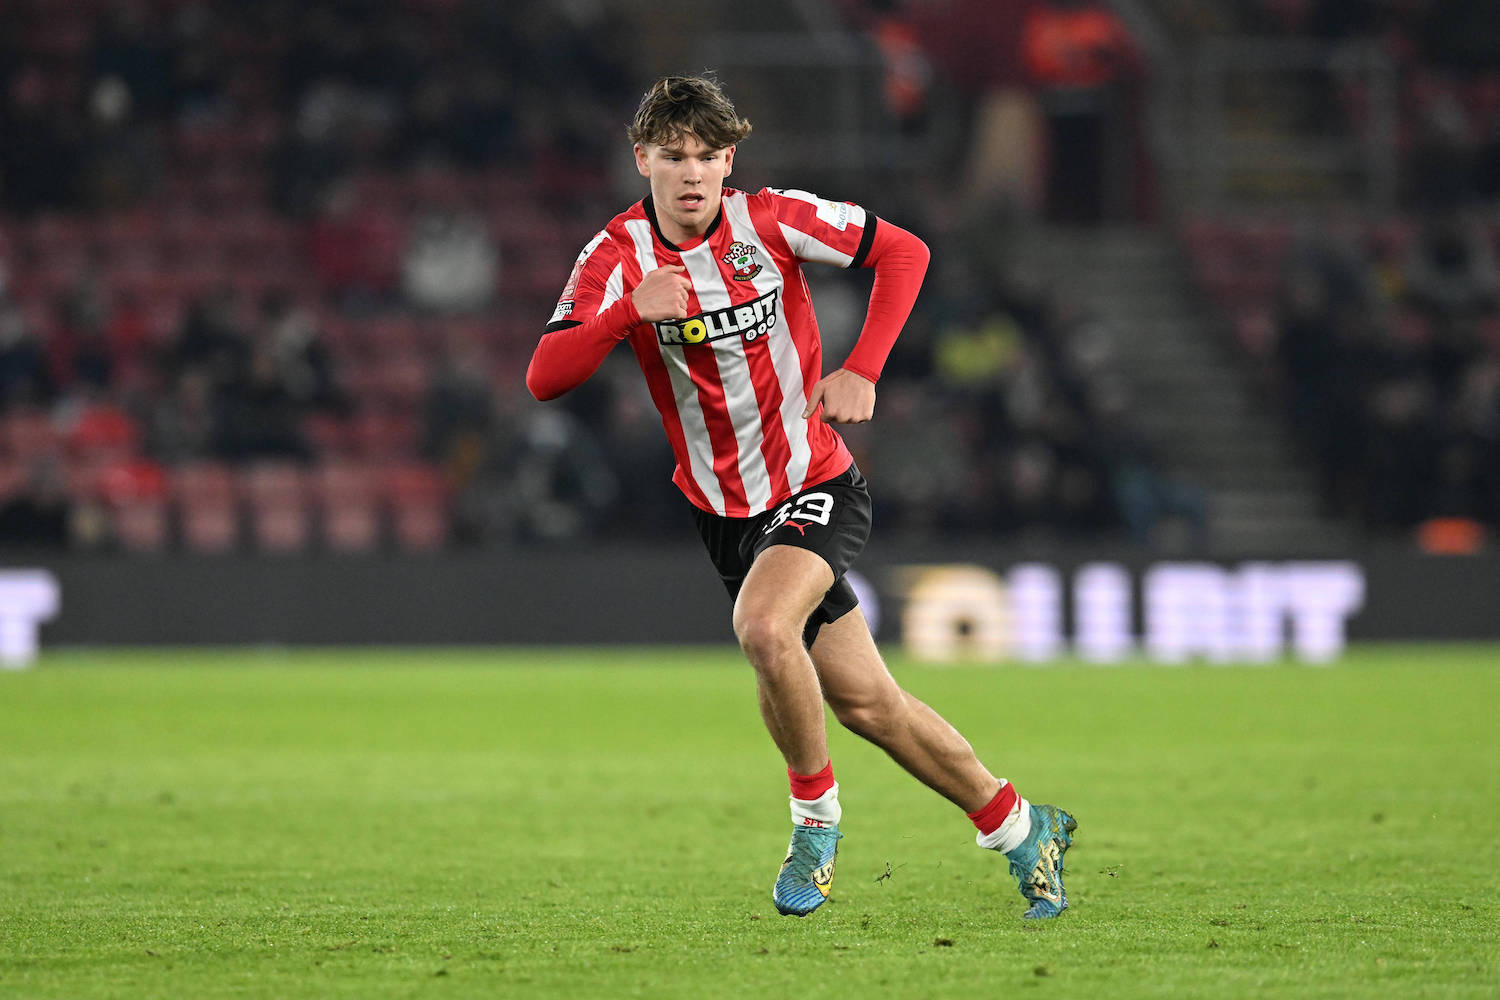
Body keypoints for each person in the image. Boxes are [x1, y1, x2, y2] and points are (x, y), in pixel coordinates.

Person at [526, 75, 1076, 919]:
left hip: (815, 483)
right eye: (672, 157)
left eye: (707, 156)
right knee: (868, 704)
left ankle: (814, 827)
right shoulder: (617, 256)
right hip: (724, 514)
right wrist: (624, 315)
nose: (691, 174)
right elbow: (544, 376)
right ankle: (1018, 824)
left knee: (761, 625)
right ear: (642, 160)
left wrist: (864, 367)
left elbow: (906, 251)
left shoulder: (772, 220)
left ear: (729, 160)